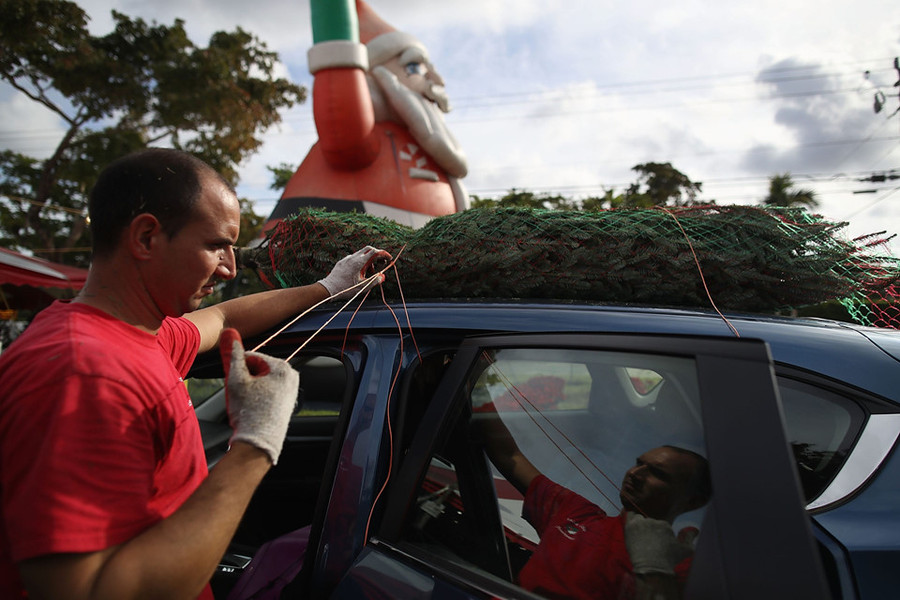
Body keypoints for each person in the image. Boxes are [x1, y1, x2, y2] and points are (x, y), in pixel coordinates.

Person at [0, 148, 388, 599]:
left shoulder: (143, 334)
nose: (230, 267)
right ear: (145, 238)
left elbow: (222, 319)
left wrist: (328, 288)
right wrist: (254, 446)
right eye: (216, 245)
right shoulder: (83, 375)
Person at [266, 0, 469, 230]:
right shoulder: (362, 135)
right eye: (414, 67)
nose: (436, 80)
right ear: (372, 78)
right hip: (347, 251)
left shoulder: (430, 145)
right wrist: (336, 28)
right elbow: (340, 93)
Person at [474, 407, 711, 600]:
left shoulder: (679, 566)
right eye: (638, 463)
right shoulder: (576, 511)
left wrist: (654, 566)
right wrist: (478, 386)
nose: (635, 474)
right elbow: (510, 456)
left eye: (657, 473)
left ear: (693, 501)